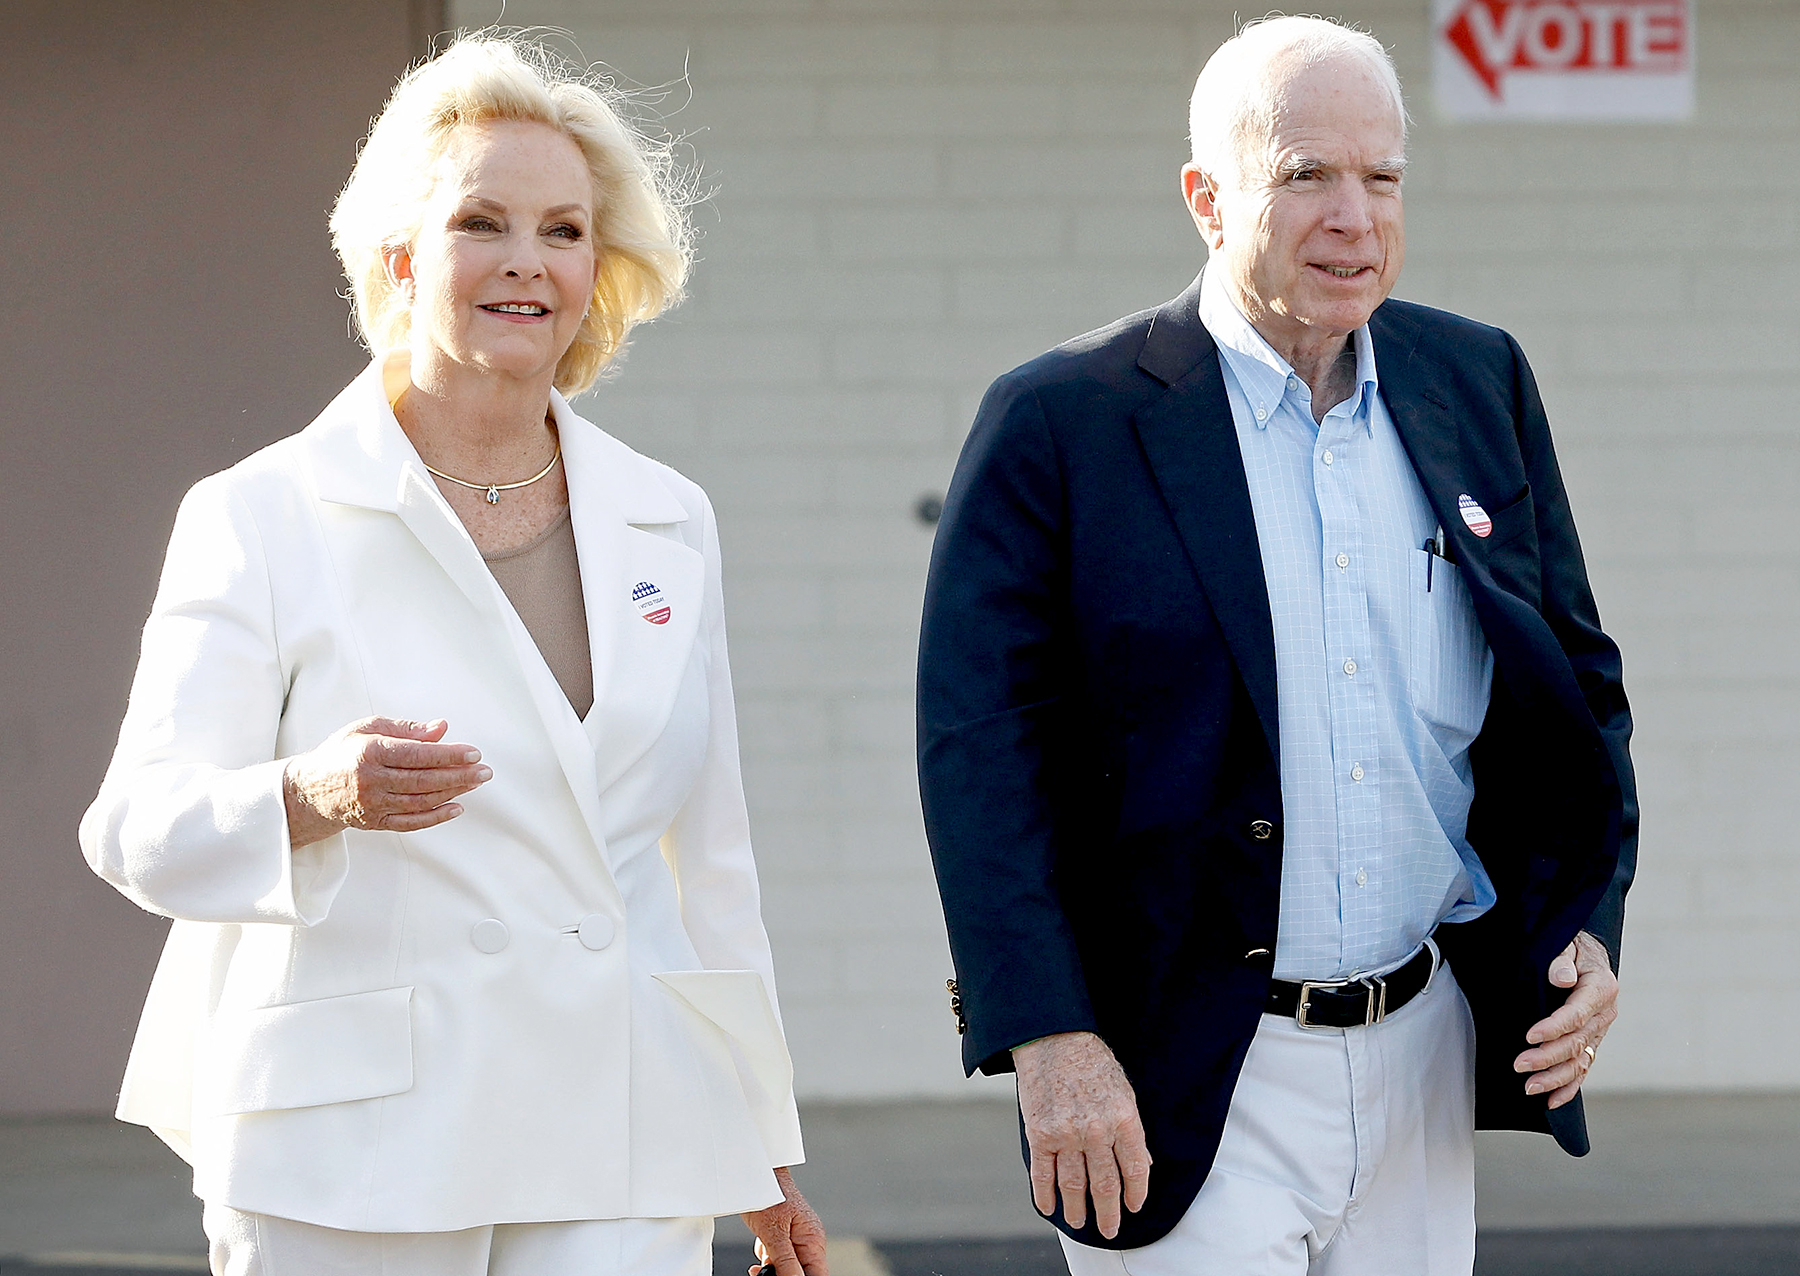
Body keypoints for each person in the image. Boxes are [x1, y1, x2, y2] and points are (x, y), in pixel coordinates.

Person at [80, 34, 826, 1276]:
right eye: (483, 221)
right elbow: (135, 830)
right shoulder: (260, 512)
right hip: (352, 1144)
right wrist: (314, 795)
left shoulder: (667, 515)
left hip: (620, 1126)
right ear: (400, 256)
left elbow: (712, 864)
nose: (528, 261)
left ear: (605, 266)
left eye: (566, 230)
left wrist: (757, 1137)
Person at [917, 16, 1634, 1275]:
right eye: (1306, 174)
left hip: (1424, 1046)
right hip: (1180, 1066)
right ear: (1207, 198)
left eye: (1382, 177)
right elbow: (982, 757)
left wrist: (1585, 923)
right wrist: (1049, 1038)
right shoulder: (1062, 422)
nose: (1354, 215)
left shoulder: (1477, 380)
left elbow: (1571, 683)